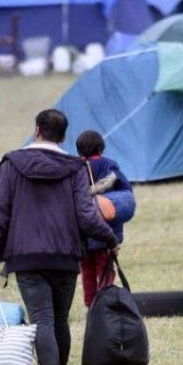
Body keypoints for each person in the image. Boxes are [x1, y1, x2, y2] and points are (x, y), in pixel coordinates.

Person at [0, 109, 119, 365]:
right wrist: (109, 238)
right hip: (65, 255)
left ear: (37, 129)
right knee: (59, 321)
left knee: (42, 319)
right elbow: (86, 215)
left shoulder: (13, 164)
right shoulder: (75, 167)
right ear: (64, 136)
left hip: (26, 256)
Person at [76, 129, 134, 307]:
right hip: (104, 232)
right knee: (105, 269)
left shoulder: (76, 168)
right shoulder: (109, 165)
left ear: (79, 151)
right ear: (101, 148)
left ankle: (91, 305)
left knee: (87, 270)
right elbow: (124, 193)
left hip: (84, 233)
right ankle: (107, 304)